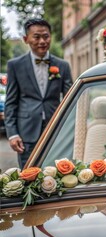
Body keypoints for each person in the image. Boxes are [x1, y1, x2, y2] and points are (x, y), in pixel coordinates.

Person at [5, 18, 72, 168]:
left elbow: (70, 100)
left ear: (50, 37)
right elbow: (10, 102)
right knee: (29, 174)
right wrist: (13, 134)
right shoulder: (15, 65)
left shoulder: (63, 65)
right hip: (26, 134)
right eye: (36, 37)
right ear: (26, 39)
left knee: (57, 174)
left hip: (55, 130)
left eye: (46, 36)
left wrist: (70, 129)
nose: (42, 41)